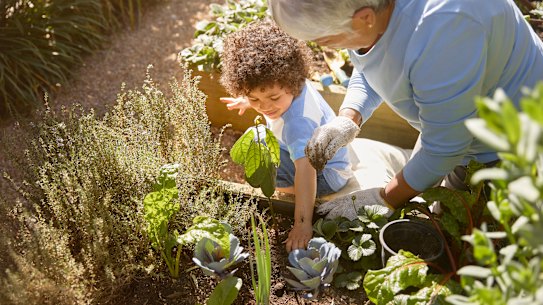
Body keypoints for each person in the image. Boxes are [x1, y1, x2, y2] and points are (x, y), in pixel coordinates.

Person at [268, 0, 543, 219]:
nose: (323, 47)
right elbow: (374, 59)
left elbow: (445, 148)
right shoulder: (371, 16)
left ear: (365, 17)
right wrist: (349, 117)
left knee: (469, 239)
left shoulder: (445, 31)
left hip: (509, 145)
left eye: (326, 40)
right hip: (455, 124)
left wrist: (384, 198)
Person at [219, 20, 352, 251]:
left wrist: (302, 224)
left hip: (326, 176)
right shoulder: (289, 83)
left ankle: (285, 191)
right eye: (254, 98)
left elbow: (306, 170)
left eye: (273, 98)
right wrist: (248, 101)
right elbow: (264, 93)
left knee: (265, 156)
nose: (264, 106)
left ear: (291, 82)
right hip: (324, 159)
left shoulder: (297, 124)